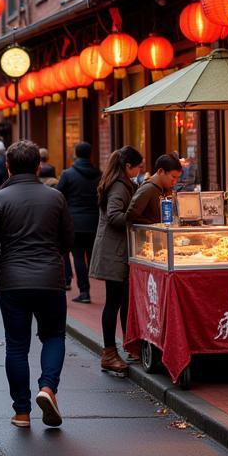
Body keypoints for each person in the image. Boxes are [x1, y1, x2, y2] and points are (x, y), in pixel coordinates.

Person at [0, 140, 74, 429]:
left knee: (17, 346)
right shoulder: (55, 197)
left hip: (13, 280)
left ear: (7, 166)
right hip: (50, 279)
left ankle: (21, 411)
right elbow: (68, 241)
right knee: (53, 336)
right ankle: (48, 388)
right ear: (39, 166)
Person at [88, 145, 145, 377]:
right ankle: (110, 353)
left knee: (122, 300)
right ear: (128, 166)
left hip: (115, 250)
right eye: (138, 166)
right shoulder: (120, 186)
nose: (141, 170)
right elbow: (114, 216)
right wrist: (135, 216)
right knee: (115, 301)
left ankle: (127, 347)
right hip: (114, 251)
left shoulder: (118, 182)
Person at [56, 142, 101, 305]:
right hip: (94, 221)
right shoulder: (99, 174)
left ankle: (84, 291)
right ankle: (89, 288)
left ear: (75, 154)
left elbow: (58, 195)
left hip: (75, 221)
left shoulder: (68, 174)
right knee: (89, 255)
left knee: (78, 257)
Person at [128, 153, 183, 224]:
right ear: (160, 171)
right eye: (173, 177)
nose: (175, 182)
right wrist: (152, 224)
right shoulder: (148, 188)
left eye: (177, 178)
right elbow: (131, 217)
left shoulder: (166, 189)